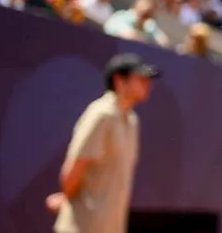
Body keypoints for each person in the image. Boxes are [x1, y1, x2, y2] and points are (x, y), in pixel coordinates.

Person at [47, 53, 159, 233]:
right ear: (119, 81)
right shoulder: (101, 115)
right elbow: (72, 172)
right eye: (140, 78)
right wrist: (69, 200)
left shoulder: (131, 121)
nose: (148, 84)